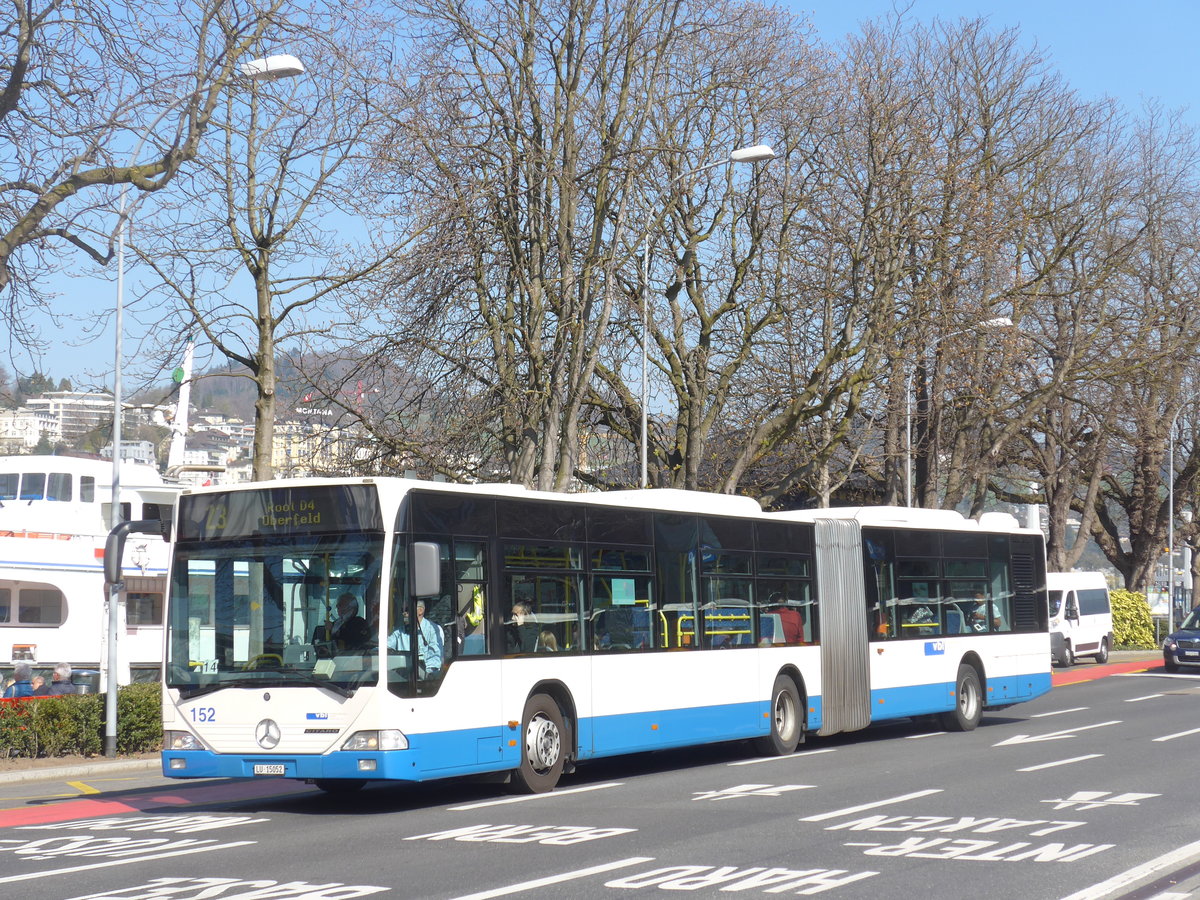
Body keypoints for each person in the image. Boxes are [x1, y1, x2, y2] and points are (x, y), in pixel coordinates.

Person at [388, 600, 444, 675]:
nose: (404, 613)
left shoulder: (434, 630)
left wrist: (422, 673)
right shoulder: (399, 632)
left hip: (426, 679)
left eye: (407, 610)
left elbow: (435, 660)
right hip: (402, 678)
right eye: (402, 610)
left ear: (420, 610)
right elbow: (386, 646)